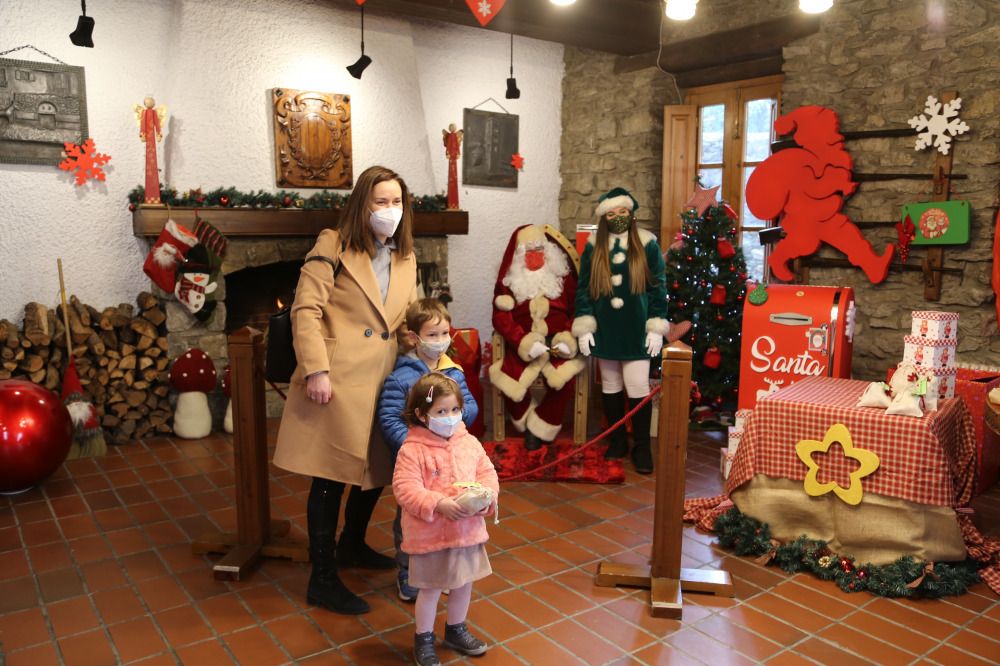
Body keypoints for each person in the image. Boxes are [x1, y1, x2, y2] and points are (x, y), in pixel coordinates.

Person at [272, 165, 418, 615]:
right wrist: (315, 369)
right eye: (381, 202)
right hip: (336, 380)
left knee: (376, 469)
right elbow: (306, 310)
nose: (389, 211)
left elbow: (411, 317)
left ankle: (351, 544)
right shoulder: (332, 244)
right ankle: (322, 578)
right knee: (331, 475)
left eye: (396, 202)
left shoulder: (407, 256)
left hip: (384, 380)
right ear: (362, 204)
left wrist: (430, 358)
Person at [377, 297, 479, 603]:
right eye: (432, 335)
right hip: (417, 464)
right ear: (414, 337)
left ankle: (442, 569)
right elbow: (389, 417)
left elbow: (470, 405)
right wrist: (413, 444)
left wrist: (454, 423)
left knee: (448, 515)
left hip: (451, 464)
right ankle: (408, 571)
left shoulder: (454, 372)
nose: (441, 341)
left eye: (445, 334)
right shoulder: (402, 377)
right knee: (413, 519)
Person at [393, 372, 498, 666]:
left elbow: (487, 473)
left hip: (466, 531)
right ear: (421, 414)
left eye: (454, 410)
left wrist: (486, 497)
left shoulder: (469, 443)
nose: (450, 417)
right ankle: (423, 638)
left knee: (463, 584)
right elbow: (405, 489)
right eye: (440, 411)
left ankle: (455, 629)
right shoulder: (412, 450)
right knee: (430, 589)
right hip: (431, 535)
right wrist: (438, 503)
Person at [572, 187, 668, 474]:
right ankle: (616, 442)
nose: (617, 218)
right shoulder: (593, 246)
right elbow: (584, 289)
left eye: (622, 212)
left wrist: (656, 326)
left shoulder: (647, 244)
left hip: (637, 329)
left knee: (637, 386)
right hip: (605, 329)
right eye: (611, 214)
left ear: (631, 213)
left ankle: (641, 447)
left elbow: (658, 287)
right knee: (611, 386)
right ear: (604, 218)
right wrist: (585, 324)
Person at [489, 224, 585, 450]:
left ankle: (539, 426)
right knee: (508, 379)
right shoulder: (510, 282)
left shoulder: (563, 278)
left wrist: (568, 337)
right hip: (521, 343)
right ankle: (526, 419)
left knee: (565, 380)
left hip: (558, 342)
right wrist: (521, 341)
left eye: (540, 250)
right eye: (529, 251)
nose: (535, 257)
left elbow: (578, 310)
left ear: (549, 252)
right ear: (520, 255)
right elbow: (500, 317)